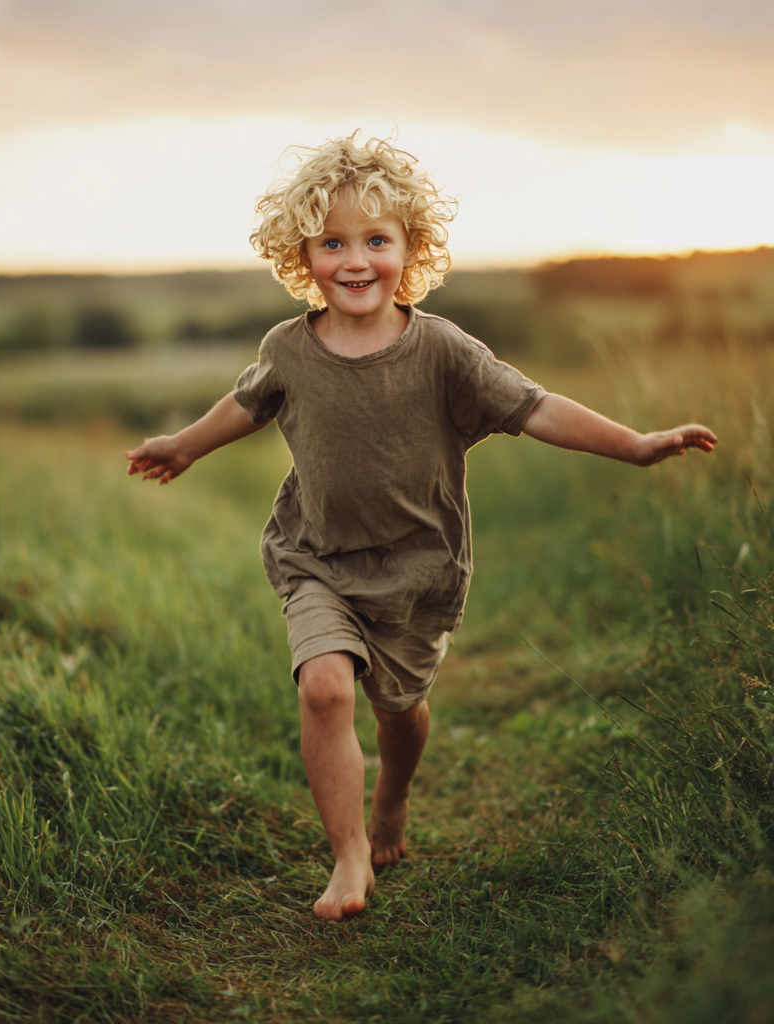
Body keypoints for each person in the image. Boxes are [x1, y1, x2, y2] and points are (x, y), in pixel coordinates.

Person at [125, 135, 717, 922]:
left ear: (412, 247)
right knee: (327, 688)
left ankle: (394, 798)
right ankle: (348, 856)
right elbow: (245, 404)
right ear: (302, 254)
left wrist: (636, 445)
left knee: (398, 711)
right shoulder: (288, 350)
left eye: (376, 240)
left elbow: (535, 406)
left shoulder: (442, 350)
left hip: (418, 570)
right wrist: (185, 446)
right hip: (315, 557)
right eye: (333, 242)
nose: (356, 260)